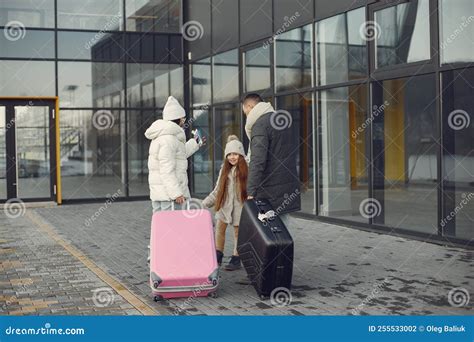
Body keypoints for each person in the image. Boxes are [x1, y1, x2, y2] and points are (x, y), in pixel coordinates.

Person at [242, 93, 301, 227]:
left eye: (245, 112)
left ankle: (278, 249)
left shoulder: (260, 125)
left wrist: (250, 191)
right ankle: (285, 248)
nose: (246, 116)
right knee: (283, 226)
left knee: (269, 228)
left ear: (250, 107)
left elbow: (257, 161)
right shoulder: (281, 122)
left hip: (270, 187)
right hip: (287, 182)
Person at [145, 96, 204, 212]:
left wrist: (195, 143)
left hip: (161, 194)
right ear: (179, 118)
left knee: (162, 227)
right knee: (172, 228)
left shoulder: (164, 137)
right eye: (183, 118)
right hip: (170, 197)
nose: (184, 120)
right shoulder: (169, 140)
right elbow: (167, 170)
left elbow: (179, 155)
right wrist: (176, 193)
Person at [202, 135, 248, 271]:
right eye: (229, 154)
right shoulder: (224, 169)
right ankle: (218, 254)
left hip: (240, 206)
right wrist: (203, 204)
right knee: (219, 230)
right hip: (224, 205)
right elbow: (217, 190)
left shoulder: (247, 168)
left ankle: (236, 257)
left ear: (241, 154)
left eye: (235, 154)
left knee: (237, 233)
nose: (232, 157)